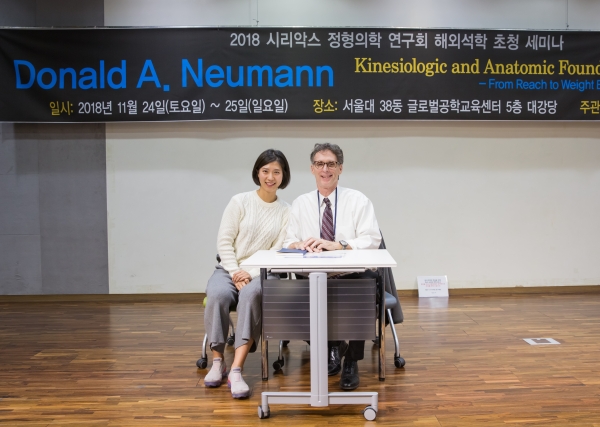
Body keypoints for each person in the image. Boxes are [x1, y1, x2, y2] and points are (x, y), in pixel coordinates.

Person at [283, 142, 381, 391]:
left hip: (350, 275)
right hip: (311, 276)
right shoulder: (300, 203)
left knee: (363, 291)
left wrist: (339, 245)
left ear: (340, 168)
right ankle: (331, 346)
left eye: (330, 164)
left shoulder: (358, 200)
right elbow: (287, 240)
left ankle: (351, 361)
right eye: (320, 164)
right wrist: (298, 244)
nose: (325, 169)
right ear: (312, 169)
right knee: (288, 300)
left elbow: (372, 238)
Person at [203, 149, 291, 398]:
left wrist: (249, 275)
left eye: (276, 172)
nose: (270, 177)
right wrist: (235, 272)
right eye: (265, 171)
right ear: (257, 173)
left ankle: (236, 369)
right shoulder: (239, 201)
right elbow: (224, 242)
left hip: (263, 273)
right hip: (229, 269)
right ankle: (217, 362)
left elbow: (276, 251)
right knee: (217, 294)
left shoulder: (287, 211)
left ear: (284, 176)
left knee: (251, 295)